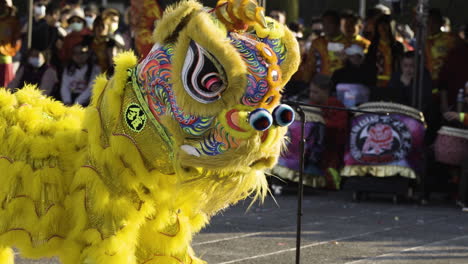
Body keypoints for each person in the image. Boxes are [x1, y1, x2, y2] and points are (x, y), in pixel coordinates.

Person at [309, 74, 348, 190]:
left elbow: (340, 126)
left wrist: (321, 122)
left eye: (315, 92)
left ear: (325, 91)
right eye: (311, 91)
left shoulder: (337, 106)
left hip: (331, 147)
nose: (311, 95)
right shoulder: (311, 105)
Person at [303, 10, 347, 81]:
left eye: (330, 23)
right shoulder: (317, 43)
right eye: (324, 23)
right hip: (321, 83)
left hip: (342, 83)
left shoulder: (347, 43)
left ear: (338, 24)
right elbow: (310, 65)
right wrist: (306, 81)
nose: (326, 26)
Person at [365, 14, 404, 89]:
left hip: (394, 82)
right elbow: (368, 66)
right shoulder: (373, 46)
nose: (383, 28)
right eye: (380, 25)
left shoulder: (398, 46)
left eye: (386, 25)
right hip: (376, 82)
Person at [60, 39, 100, 106]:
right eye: (75, 53)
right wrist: (67, 101)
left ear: (88, 54)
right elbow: (64, 87)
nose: (79, 56)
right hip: (69, 102)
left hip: (86, 103)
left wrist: (76, 103)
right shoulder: (68, 69)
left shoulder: (95, 69)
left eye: (82, 53)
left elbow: (90, 89)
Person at [425, 8, 458, 89]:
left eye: (434, 22)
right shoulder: (424, 41)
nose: (431, 25)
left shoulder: (450, 39)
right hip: (429, 82)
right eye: (429, 22)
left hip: (448, 81)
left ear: (440, 23)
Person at [91, 8, 125, 76]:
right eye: (97, 25)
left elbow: (113, 64)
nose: (100, 28)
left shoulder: (112, 43)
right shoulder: (87, 41)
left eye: (102, 25)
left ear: (108, 27)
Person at [0, 0, 21, 87]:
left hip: (6, 57)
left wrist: (8, 51)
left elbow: (17, 41)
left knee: (6, 86)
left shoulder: (13, 22)